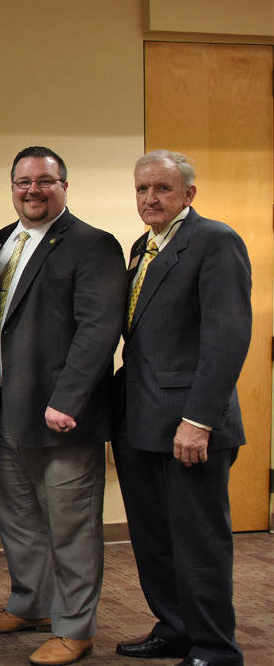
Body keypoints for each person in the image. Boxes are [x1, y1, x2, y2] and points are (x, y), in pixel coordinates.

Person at [0, 147, 124, 666]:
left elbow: (99, 329)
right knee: (19, 517)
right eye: (22, 182)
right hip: (6, 404)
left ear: (64, 185)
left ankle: (75, 628)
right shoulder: (2, 242)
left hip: (62, 414)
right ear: (11, 186)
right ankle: (30, 602)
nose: (32, 190)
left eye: (44, 181)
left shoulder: (92, 244)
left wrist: (69, 399)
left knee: (71, 525)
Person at [114, 150, 249, 666]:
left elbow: (227, 339)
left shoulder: (215, 241)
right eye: (143, 189)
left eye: (163, 189)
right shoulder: (142, 246)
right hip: (140, 421)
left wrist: (199, 421)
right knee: (154, 540)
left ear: (188, 194)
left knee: (199, 543)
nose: (151, 198)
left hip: (190, 426)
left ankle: (215, 645)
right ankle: (174, 626)